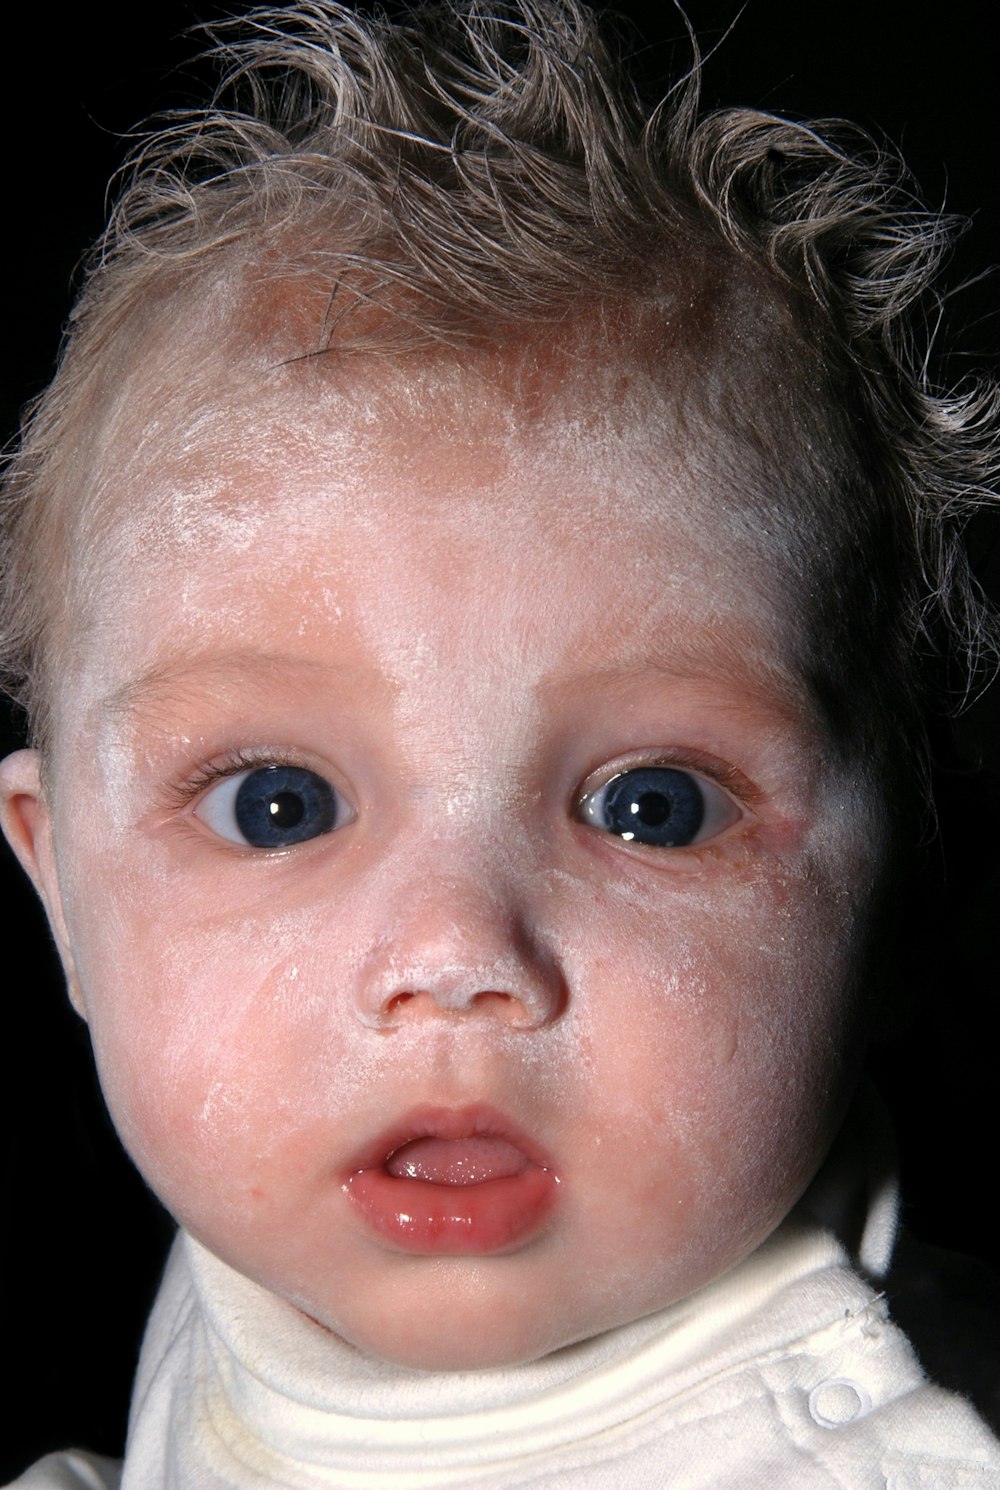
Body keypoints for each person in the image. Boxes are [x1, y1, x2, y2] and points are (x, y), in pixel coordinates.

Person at [1, 1, 998, 1484]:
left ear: (908, 894)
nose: (456, 950)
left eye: (652, 806)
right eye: (281, 804)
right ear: (64, 887)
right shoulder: (268, 1231)